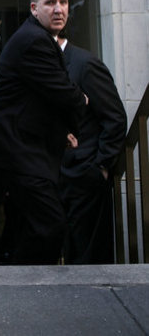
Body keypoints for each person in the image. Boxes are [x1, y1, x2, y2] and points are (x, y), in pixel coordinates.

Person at [0, 0, 87, 265]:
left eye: (63, 2)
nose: (58, 9)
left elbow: (35, 99)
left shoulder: (37, 37)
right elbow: (63, 92)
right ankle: (33, 289)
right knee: (49, 226)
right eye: (50, 2)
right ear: (33, 8)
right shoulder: (34, 41)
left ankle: (21, 287)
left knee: (25, 229)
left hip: (23, 150)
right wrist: (82, 100)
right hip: (20, 153)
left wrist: (61, 129)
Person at [58, 36, 127, 263]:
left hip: (85, 175)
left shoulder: (85, 64)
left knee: (88, 258)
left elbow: (115, 118)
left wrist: (101, 165)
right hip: (55, 176)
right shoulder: (44, 68)